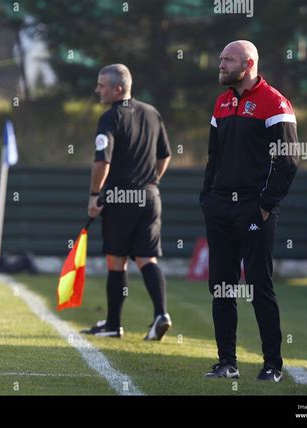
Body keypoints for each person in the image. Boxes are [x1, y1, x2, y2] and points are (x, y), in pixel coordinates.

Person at [200, 41, 299, 382]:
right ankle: (226, 362)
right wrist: (207, 198)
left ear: (249, 63)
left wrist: (266, 204)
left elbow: (288, 160)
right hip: (220, 207)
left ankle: (272, 364)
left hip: (254, 209)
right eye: (221, 58)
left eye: (227, 59)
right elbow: (213, 158)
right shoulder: (221, 102)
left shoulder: (274, 102)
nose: (221, 64)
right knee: (222, 287)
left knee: (259, 286)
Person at [81, 64, 172, 340]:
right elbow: (165, 155)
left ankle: (112, 324)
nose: (97, 90)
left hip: (120, 199)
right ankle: (161, 314)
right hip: (150, 196)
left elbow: (102, 161)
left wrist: (95, 195)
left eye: (102, 85)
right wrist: (151, 181)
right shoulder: (152, 113)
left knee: (116, 261)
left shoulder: (110, 118)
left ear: (118, 88)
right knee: (147, 258)